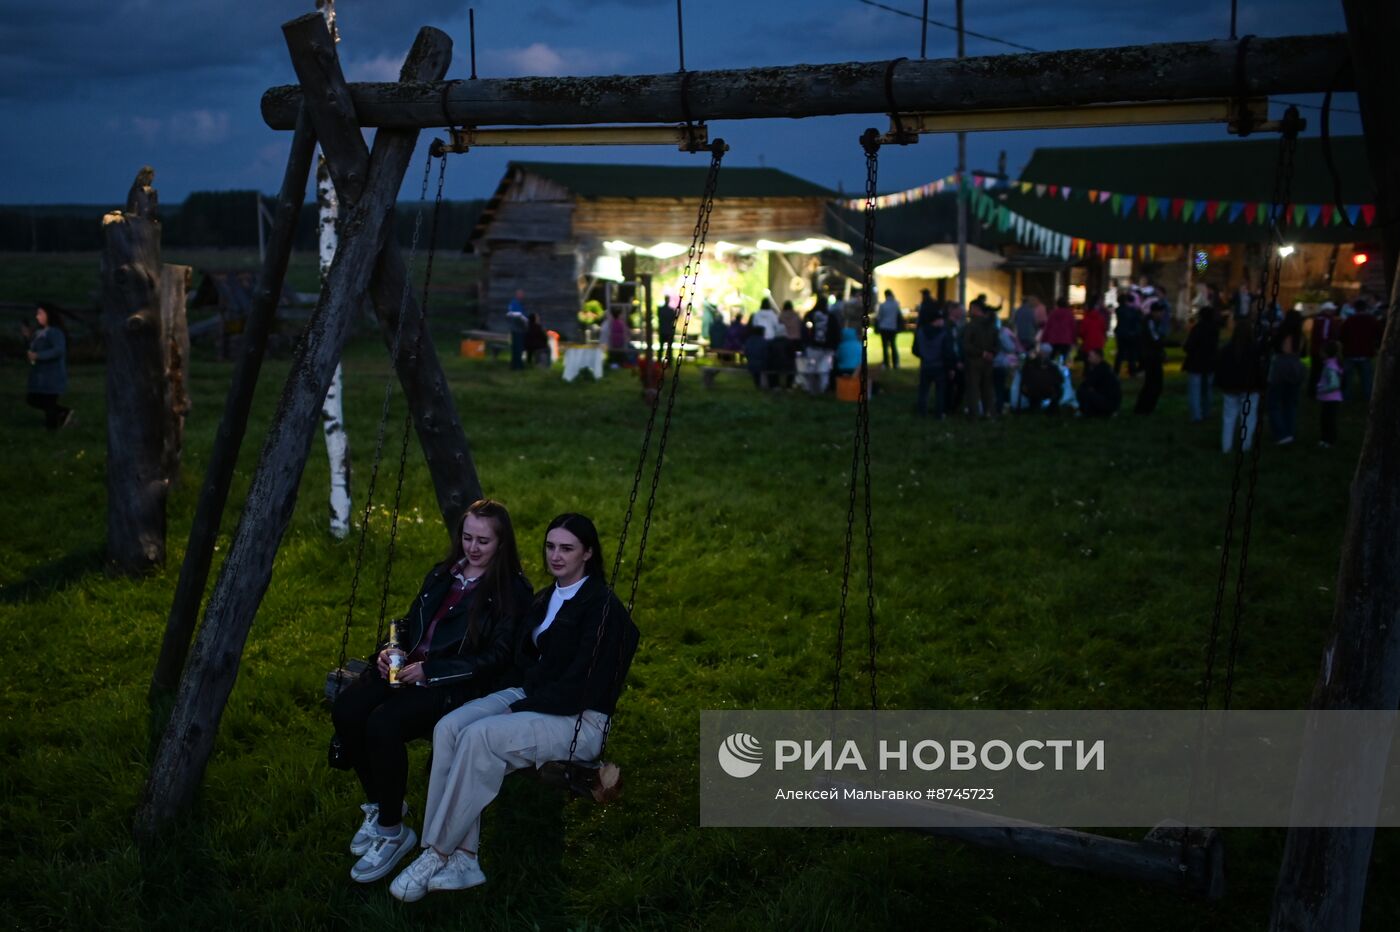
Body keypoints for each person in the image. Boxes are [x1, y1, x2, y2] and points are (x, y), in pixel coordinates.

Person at [389, 514, 639, 902]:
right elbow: (522, 664)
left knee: (480, 737)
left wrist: (516, 709)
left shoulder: (602, 610)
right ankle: (464, 857)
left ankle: (436, 851)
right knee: (450, 728)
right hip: (531, 697)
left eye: (567, 548)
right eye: (550, 546)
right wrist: (502, 699)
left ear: (588, 554)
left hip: (578, 719)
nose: (555, 556)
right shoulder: (547, 597)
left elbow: (582, 686)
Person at [334, 500, 532, 884]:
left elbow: (497, 657)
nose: (472, 548)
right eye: (467, 537)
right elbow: (409, 623)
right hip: (406, 668)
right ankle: (380, 804)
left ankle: (393, 832)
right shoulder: (444, 573)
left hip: (451, 686)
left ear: (502, 543)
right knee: (346, 710)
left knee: (383, 724)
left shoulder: (511, 592)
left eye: (483, 541)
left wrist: (432, 670)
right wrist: (390, 648)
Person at [1216, 319, 1264, 454]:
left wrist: (1222, 384)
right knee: (1248, 418)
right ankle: (1245, 445)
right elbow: (1259, 370)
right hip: (1250, 388)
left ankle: (1226, 447)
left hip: (1230, 388)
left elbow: (1220, 370)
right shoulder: (1255, 350)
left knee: (1229, 418)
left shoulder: (1226, 349)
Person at [23, 303, 72, 429]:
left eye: (40, 313)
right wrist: (28, 338)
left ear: (48, 315)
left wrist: (38, 355)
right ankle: (61, 415)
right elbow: (35, 347)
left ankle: (52, 428)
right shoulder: (40, 332)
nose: (37, 316)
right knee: (33, 398)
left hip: (52, 375)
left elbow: (58, 350)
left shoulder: (55, 332)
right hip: (40, 375)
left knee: (48, 402)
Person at [912, 304, 955, 417]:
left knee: (923, 391)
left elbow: (915, 349)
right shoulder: (944, 333)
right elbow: (947, 352)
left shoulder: (920, 332)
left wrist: (924, 356)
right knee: (940, 392)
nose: (942, 321)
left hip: (925, 365)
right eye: (940, 319)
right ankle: (939, 413)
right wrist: (950, 367)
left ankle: (922, 412)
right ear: (935, 320)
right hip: (939, 366)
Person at [960, 300, 998, 418]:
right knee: (988, 388)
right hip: (988, 361)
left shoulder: (971, 326)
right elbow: (997, 343)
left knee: (973, 388)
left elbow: (966, 345)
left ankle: (974, 413)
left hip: (974, 361)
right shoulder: (992, 326)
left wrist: (982, 353)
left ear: (976, 309)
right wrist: (991, 353)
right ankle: (989, 412)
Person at [1339, 299, 1382, 404]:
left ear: (1355, 308)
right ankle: (1369, 399)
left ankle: (1346, 398)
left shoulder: (1349, 320)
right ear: (1365, 308)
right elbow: (1379, 335)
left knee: (1347, 379)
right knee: (1367, 379)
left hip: (1350, 353)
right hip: (1366, 353)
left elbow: (1341, 336)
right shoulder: (1371, 320)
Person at [1267, 334, 1305, 445]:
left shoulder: (1285, 335)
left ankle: (1282, 433)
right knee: (1290, 404)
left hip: (1281, 370)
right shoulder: (1299, 335)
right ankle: (1289, 432)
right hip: (1295, 369)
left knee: (1274, 404)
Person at [1133, 301, 1168, 415]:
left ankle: (1145, 408)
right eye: (1160, 312)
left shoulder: (1151, 322)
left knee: (1152, 384)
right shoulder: (1149, 322)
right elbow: (1155, 339)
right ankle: (1144, 408)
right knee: (1153, 384)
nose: (1162, 314)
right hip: (1151, 357)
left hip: (1151, 356)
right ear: (1155, 312)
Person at [1307, 301, 1342, 394]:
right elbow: (1325, 336)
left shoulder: (1318, 319)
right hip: (1323, 350)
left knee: (1315, 371)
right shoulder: (1326, 321)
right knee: (1320, 371)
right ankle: (1318, 390)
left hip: (1316, 349)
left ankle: (1312, 390)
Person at [1019, 343, 1064, 415]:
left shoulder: (1029, 364)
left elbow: (1023, 375)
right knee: (1059, 390)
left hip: (1031, 389)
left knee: (1036, 387)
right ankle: (1051, 410)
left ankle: (1034, 407)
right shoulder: (1052, 367)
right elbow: (1060, 380)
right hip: (1046, 390)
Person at [1076, 348, 1121, 417]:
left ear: (1098, 356)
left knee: (1082, 391)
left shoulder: (1100, 369)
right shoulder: (1105, 367)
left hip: (1107, 402)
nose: (1088, 359)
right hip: (1111, 401)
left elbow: (1086, 384)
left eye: (1090, 357)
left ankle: (1087, 412)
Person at [1316, 339, 1344, 448]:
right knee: (1326, 420)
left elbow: (1334, 384)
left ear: (1326, 353)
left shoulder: (1330, 366)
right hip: (1330, 398)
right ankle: (1325, 439)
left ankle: (1329, 440)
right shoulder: (1332, 364)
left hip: (1330, 398)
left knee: (1328, 420)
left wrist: (1321, 388)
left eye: (1322, 351)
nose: (1320, 353)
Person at [992, 319, 1022, 414]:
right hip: (1003, 362)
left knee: (997, 387)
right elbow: (1010, 347)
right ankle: (1001, 407)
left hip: (995, 362)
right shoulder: (1005, 333)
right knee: (1003, 386)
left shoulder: (996, 332)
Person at [1113, 294, 1143, 377]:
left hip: (1122, 334)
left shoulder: (1119, 310)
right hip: (1130, 334)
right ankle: (1132, 371)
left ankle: (1116, 371)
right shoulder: (1131, 311)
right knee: (1131, 354)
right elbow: (1136, 319)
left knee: (1120, 354)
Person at [1077, 303, 1108, 376]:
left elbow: (1082, 332)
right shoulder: (1100, 318)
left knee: (1087, 360)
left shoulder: (1086, 319)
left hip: (1088, 342)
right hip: (1098, 342)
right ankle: (1099, 374)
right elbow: (1104, 329)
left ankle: (1087, 374)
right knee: (1098, 359)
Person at [1042, 297, 1076, 363]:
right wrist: (1074, 340)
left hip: (1054, 340)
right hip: (1066, 340)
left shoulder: (1053, 313)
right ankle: (1062, 370)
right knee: (1064, 359)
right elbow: (1073, 328)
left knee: (1052, 359)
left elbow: (1048, 327)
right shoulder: (1069, 314)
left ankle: (1053, 371)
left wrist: (1044, 339)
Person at [876, 289, 902, 369]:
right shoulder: (896, 304)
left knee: (885, 346)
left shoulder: (882, 305)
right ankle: (895, 363)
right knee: (893, 345)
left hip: (884, 327)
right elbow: (899, 315)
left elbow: (879, 317)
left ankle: (886, 363)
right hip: (893, 327)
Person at [505, 291, 528, 371]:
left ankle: (515, 365)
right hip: (517, 329)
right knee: (517, 348)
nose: (522, 296)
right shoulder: (514, 303)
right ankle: (517, 365)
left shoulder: (520, 304)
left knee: (517, 347)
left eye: (522, 294)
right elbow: (515, 315)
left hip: (519, 329)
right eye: (520, 294)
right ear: (517, 295)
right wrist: (524, 321)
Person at [743, 323, 770, 389]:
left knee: (756, 371)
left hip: (750, 364)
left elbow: (746, 353)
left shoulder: (749, 340)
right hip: (762, 364)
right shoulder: (764, 341)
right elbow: (766, 355)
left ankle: (757, 385)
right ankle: (763, 385)